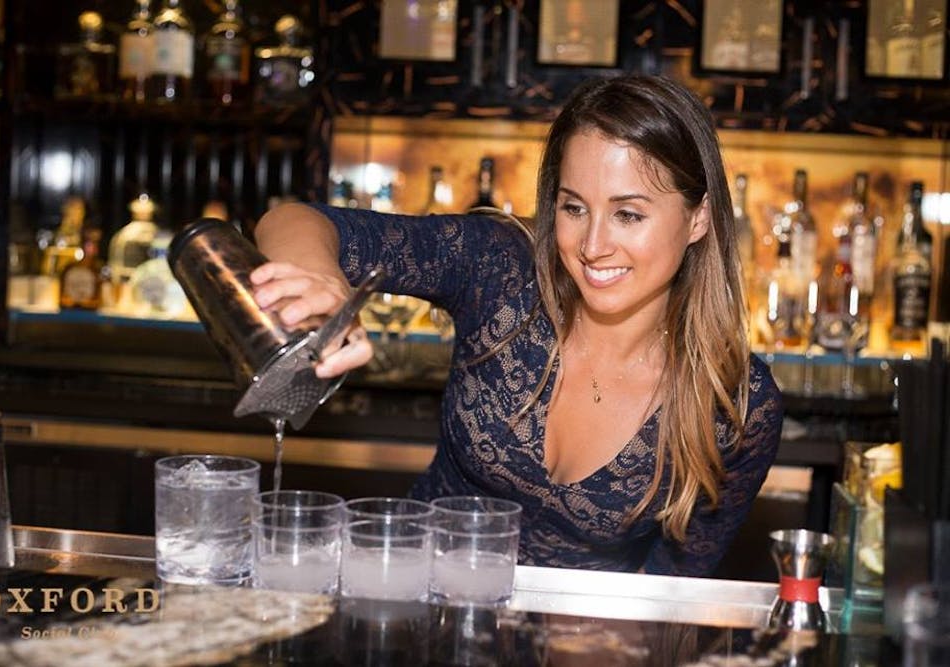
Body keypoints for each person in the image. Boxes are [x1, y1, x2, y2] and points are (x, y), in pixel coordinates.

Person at [250, 75, 784, 577]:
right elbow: (295, 220)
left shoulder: (735, 403)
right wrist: (321, 280)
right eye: (574, 208)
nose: (592, 246)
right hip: (415, 604)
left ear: (699, 218)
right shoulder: (503, 272)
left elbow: (675, 593)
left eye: (628, 214)